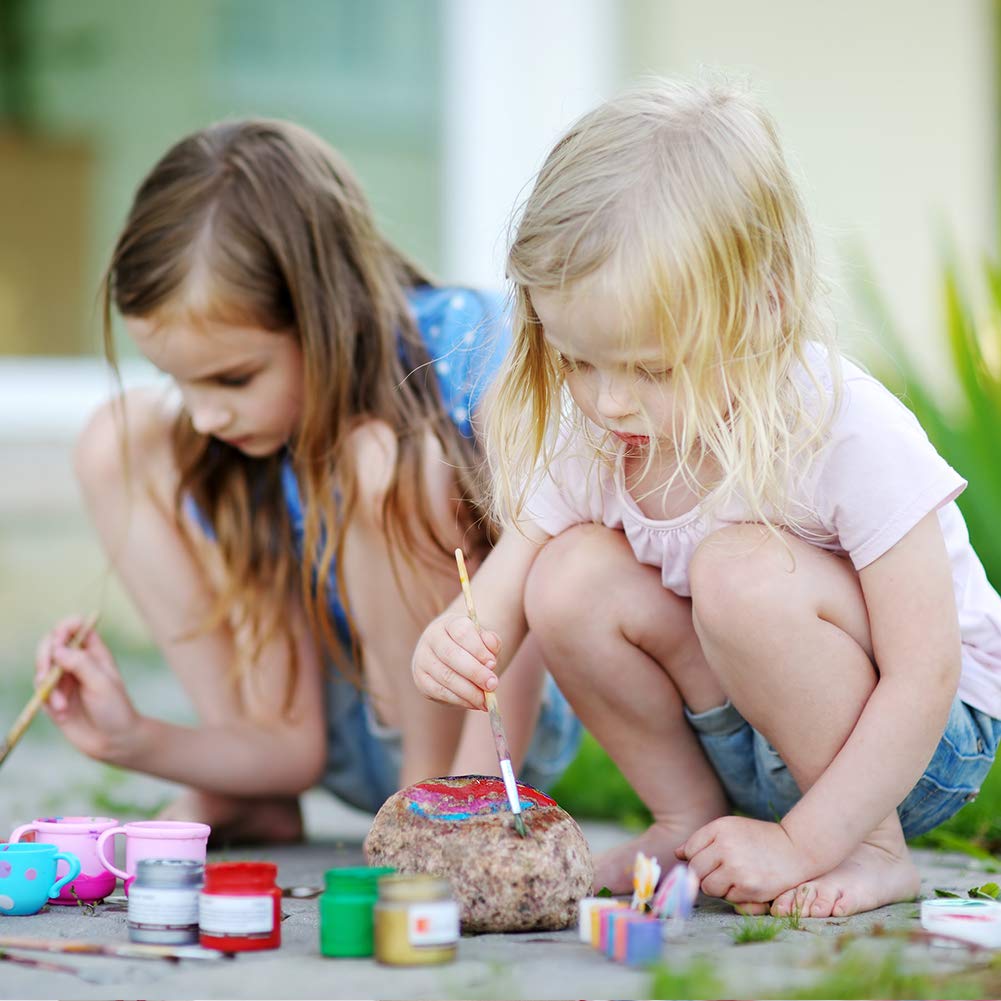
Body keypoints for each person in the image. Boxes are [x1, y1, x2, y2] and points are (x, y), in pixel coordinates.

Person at [412, 80, 1001, 918]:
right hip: (755, 736)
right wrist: (459, 640)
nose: (608, 401)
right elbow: (499, 603)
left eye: (652, 368)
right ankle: (687, 817)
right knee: (565, 574)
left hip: (914, 746)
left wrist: (811, 841)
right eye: (577, 360)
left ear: (761, 309)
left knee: (740, 570)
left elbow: (925, 671)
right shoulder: (599, 432)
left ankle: (872, 852)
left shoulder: (844, 428)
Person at [36, 119, 579, 844]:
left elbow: (540, 562)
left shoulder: (472, 346)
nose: (203, 417)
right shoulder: (237, 446)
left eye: (233, 377)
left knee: (373, 460)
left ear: (325, 312)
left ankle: (430, 809)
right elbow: (293, 748)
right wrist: (130, 738)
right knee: (117, 438)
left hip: (491, 722)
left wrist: (473, 808)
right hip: (333, 730)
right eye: (178, 380)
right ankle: (242, 793)